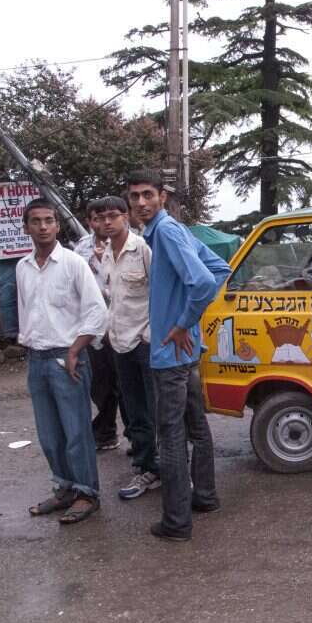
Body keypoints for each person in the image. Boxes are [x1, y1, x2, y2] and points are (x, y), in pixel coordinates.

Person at [125, 170, 231, 542]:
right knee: (196, 427)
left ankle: (176, 521)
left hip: (172, 353)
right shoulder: (167, 231)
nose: (140, 203)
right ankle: (204, 497)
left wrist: (186, 322)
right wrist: (190, 323)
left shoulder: (166, 231)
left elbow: (204, 281)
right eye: (135, 196)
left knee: (170, 436)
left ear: (162, 196)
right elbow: (219, 268)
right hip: (183, 352)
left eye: (147, 195)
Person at [18, 199, 108, 525]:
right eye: (36, 221)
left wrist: (74, 351)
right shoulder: (23, 267)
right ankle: (65, 488)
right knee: (49, 435)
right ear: (26, 227)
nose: (43, 227)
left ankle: (87, 494)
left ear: (57, 225)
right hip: (36, 359)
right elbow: (26, 312)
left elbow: (97, 311)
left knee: (76, 432)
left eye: (49, 221)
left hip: (66, 359)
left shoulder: (73, 263)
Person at [95, 196, 160, 500]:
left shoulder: (143, 248)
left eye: (113, 216)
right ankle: (146, 468)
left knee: (157, 409)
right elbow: (113, 298)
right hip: (120, 344)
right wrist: (108, 332)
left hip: (144, 343)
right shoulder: (106, 253)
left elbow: (160, 293)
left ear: (126, 216)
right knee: (134, 412)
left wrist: (149, 334)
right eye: (103, 217)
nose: (108, 222)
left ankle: (169, 467)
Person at [75, 201, 122, 452]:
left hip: (125, 326)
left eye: (109, 217)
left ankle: (140, 441)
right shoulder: (80, 249)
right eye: (97, 218)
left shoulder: (131, 242)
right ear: (89, 222)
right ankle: (105, 434)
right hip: (95, 330)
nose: (104, 223)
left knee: (128, 387)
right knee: (101, 386)